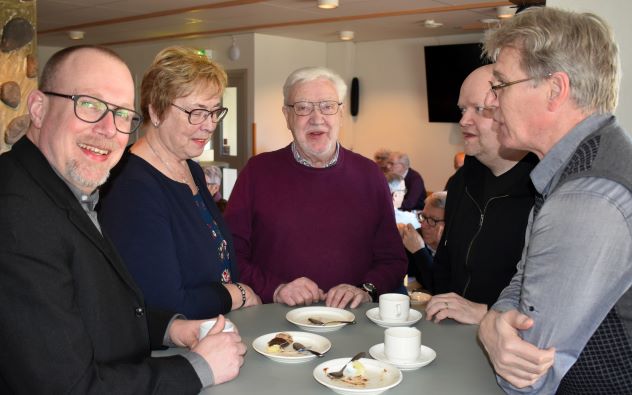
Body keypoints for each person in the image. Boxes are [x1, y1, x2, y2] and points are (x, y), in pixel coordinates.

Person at [0, 45, 246, 394]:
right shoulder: (17, 217)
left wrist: (169, 328)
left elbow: (94, 307)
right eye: (89, 105)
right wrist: (197, 369)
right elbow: (68, 387)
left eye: (120, 114)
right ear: (38, 108)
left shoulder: (68, 189)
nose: (107, 129)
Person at [477, 7, 632, 393]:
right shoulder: (578, 168)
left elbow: (527, 376)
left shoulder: (585, 198)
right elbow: (524, 282)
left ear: (554, 90)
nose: (492, 102)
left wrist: (491, 329)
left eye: (500, 85)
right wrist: (495, 321)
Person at [224, 66, 407, 308]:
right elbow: (229, 255)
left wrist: (365, 290)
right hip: (273, 325)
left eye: (327, 106)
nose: (316, 118)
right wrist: (276, 289)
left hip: (352, 323)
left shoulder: (369, 175)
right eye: (303, 108)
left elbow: (393, 260)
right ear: (287, 116)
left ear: (340, 113)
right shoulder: (257, 172)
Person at [99, 47, 260, 320]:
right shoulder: (131, 187)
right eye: (196, 112)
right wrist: (238, 294)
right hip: (171, 354)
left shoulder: (190, 168)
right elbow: (164, 303)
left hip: (214, 334)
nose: (209, 125)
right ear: (157, 112)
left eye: (214, 112)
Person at [426, 64, 538, 326]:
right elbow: (445, 266)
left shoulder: (543, 188)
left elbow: (550, 298)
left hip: (511, 346)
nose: (464, 120)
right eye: (463, 110)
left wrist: (487, 312)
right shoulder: (460, 182)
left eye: (479, 109)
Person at [400, 191, 447, 291]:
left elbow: (439, 289)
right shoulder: (414, 238)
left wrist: (420, 251)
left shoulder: (457, 249)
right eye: (423, 217)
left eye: (433, 220)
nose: (424, 225)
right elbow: (402, 274)